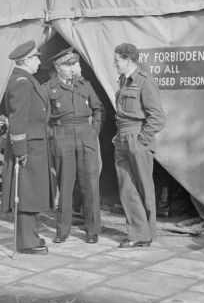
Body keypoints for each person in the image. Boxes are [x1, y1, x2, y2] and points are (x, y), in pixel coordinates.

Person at [44, 48, 105, 244]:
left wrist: (93, 131)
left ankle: (92, 230)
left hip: (85, 136)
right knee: (66, 186)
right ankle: (62, 230)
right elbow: (42, 119)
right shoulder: (48, 88)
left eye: (74, 65)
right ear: (58, 68)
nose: (72, 69)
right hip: (62, 137)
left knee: (90, 185)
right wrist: (53, 136)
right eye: (68, 65)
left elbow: (98, 109)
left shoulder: (85, 85)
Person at [0, 40, 55, 254]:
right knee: (26, 194)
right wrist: (20, 150)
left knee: (31, 194)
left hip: (35, 145)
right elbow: (18, 118)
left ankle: (30, 237)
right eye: (36, 57)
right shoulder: (22, 81)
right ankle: (26, 242)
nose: (39, 61)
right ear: (25, 60)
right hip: (28, 147)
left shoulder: (26, 79)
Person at [113, 43, 166, 247]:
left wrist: (141, 141)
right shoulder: (123, 81)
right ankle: (138, 234)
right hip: (123, 138)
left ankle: (146, 234)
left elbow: (158, 118)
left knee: (144, 187)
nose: (114, 63)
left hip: (137, 139)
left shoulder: (144, 81)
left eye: (117, 60)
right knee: (127, 188)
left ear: (128, 60)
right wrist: (120, 136)